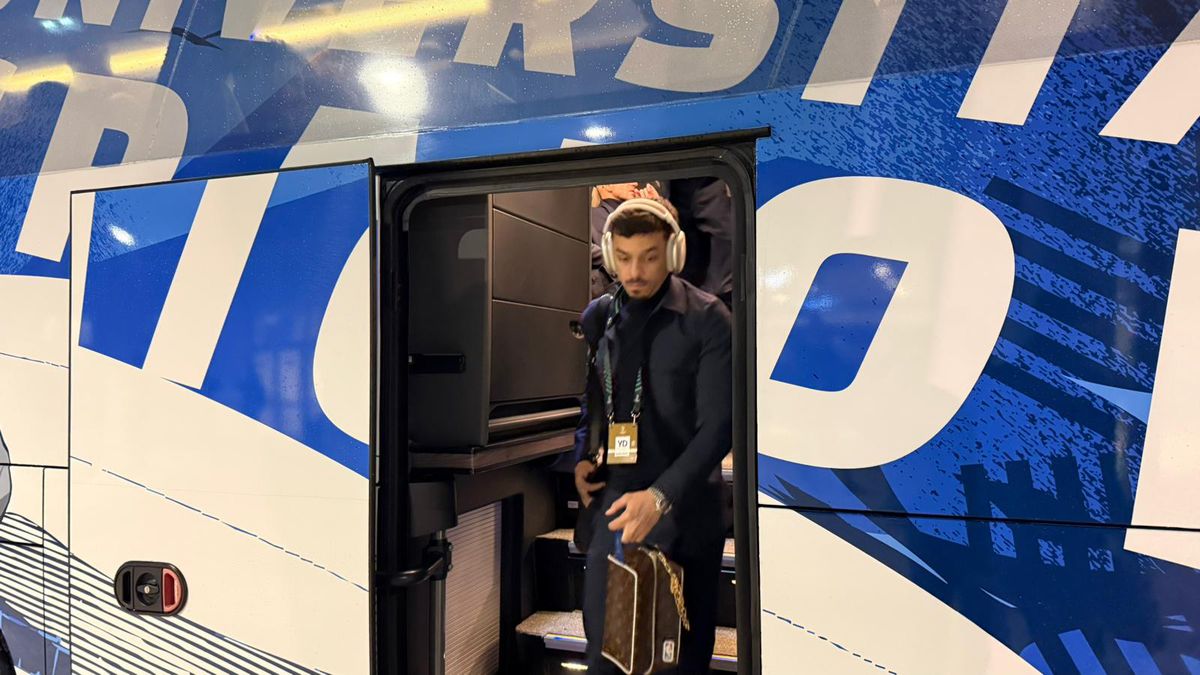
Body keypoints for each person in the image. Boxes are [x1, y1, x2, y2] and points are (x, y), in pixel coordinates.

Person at [573, 193, 732, 673]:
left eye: (649, 257)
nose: (635, 271)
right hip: (615, 508)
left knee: (677, 662)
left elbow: (720, 428)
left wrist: (659, 497)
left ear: (674, 252)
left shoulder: (708, 320)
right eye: (623, 258)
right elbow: (593, 398)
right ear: (609, 253)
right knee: (606, 655)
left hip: (685, 514)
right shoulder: (598, 316)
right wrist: (583, 455)